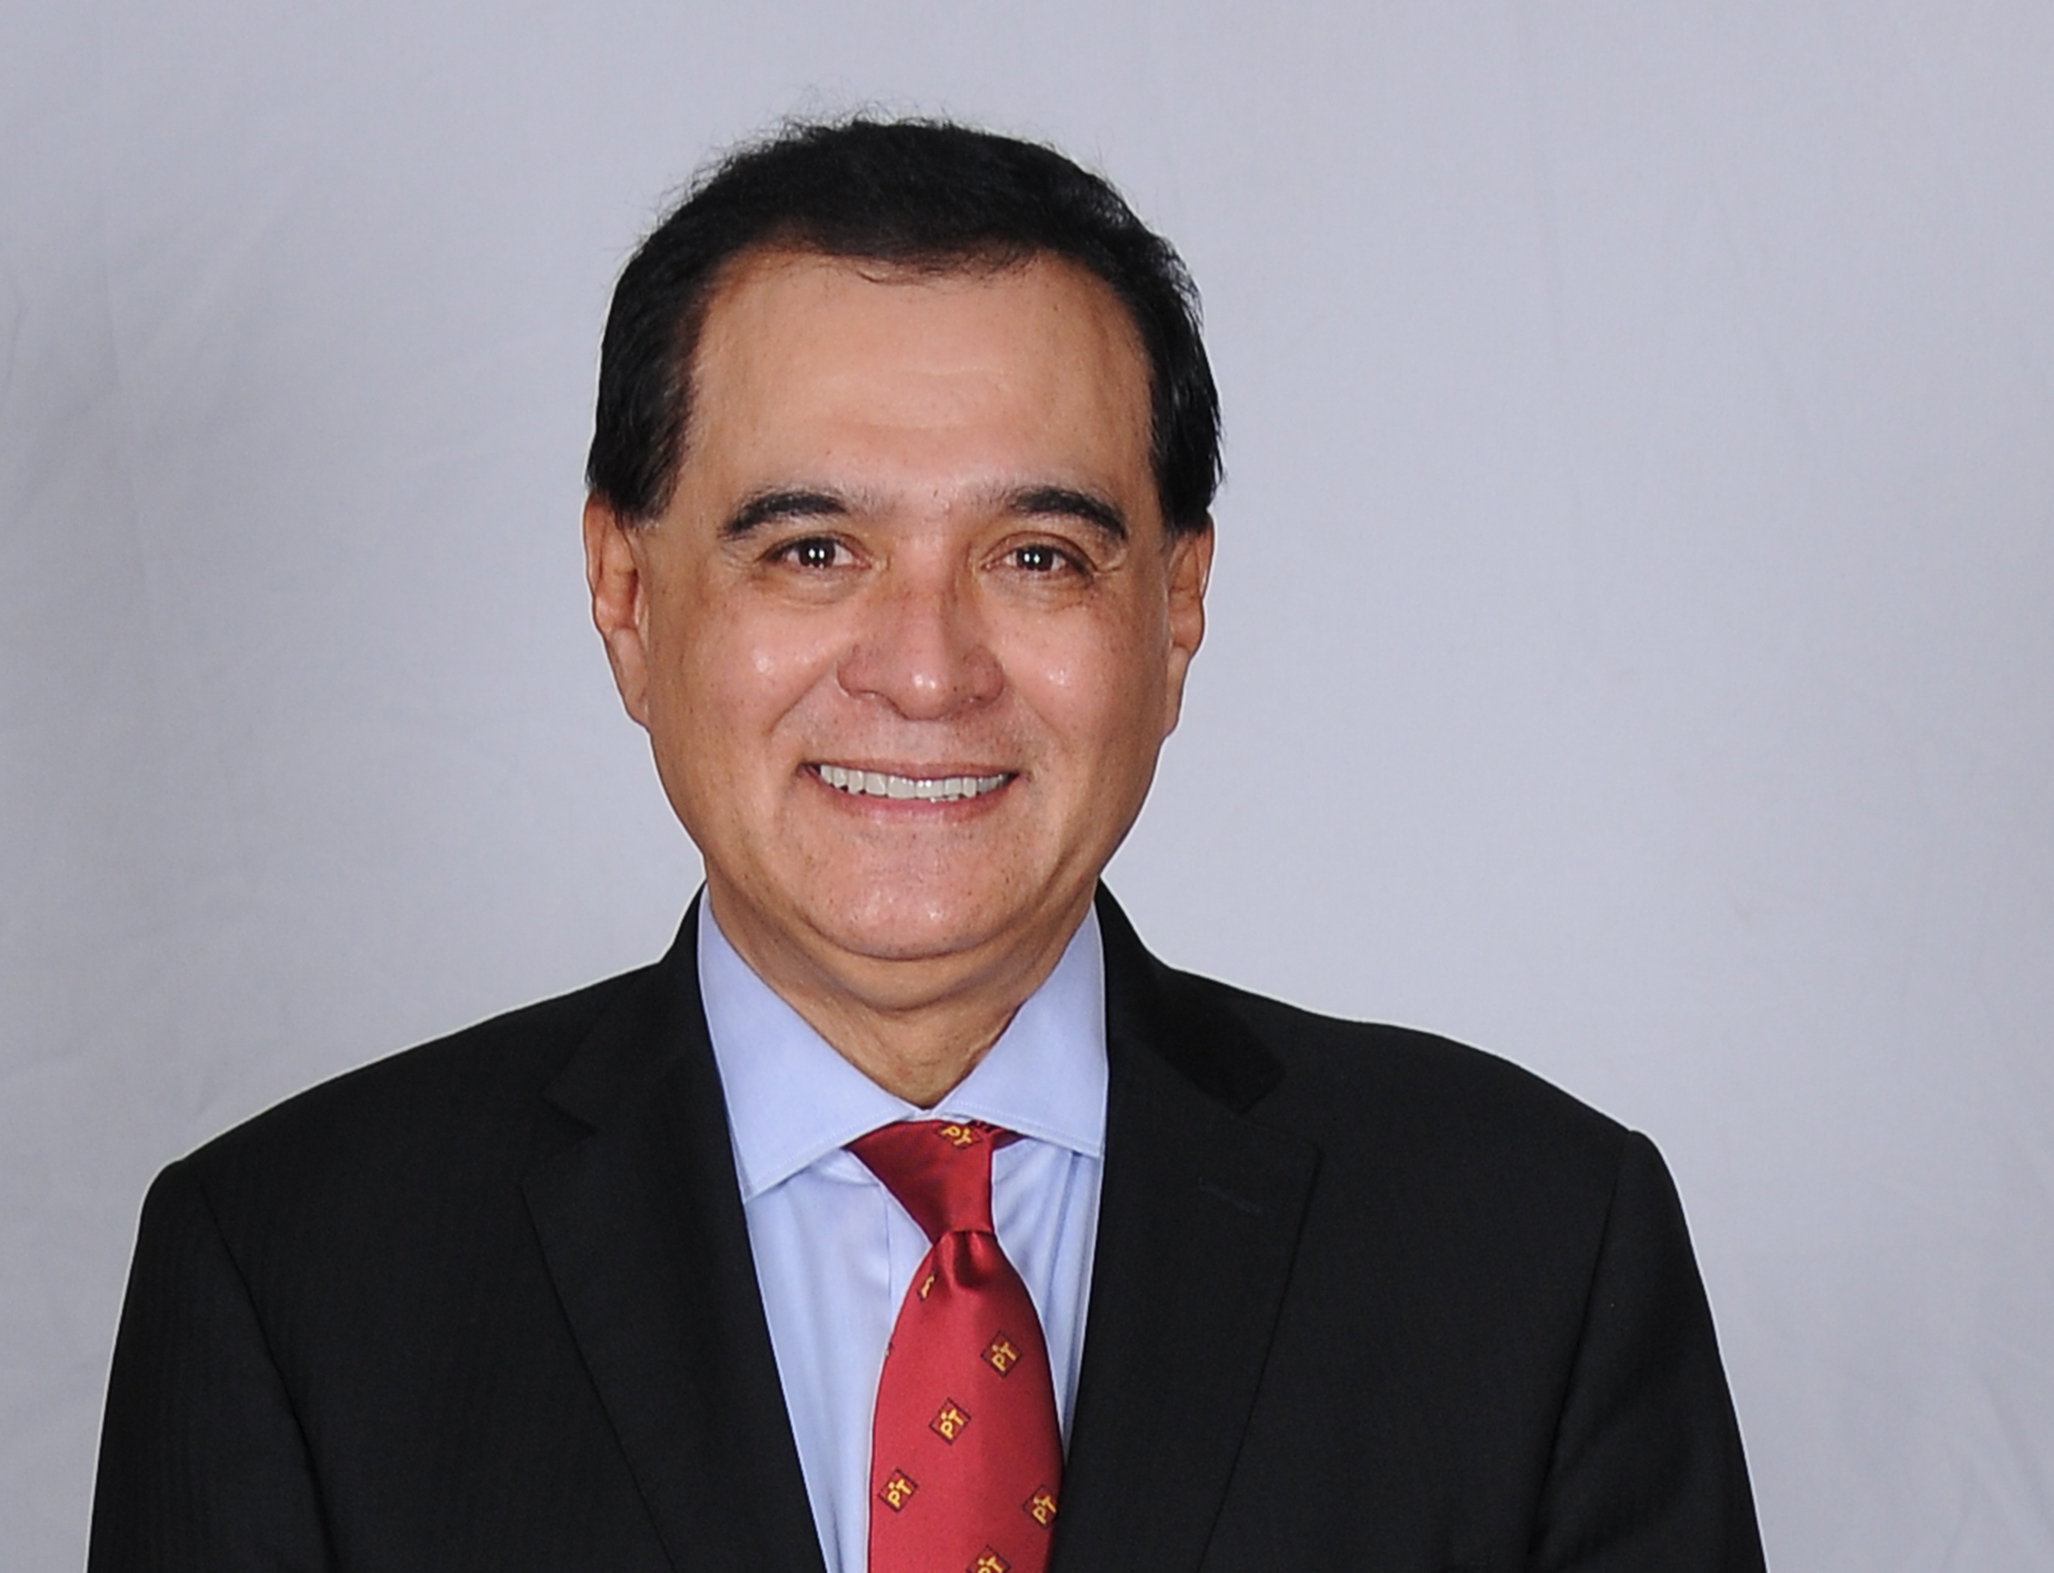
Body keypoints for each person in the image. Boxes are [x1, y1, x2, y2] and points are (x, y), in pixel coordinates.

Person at [88, 118, 1765, 1572]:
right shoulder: (295, 1277)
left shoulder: (1528, 1246)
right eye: (812, 548)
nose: (924, 668)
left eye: (1036, 555)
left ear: (1175, 606)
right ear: (627, 595)